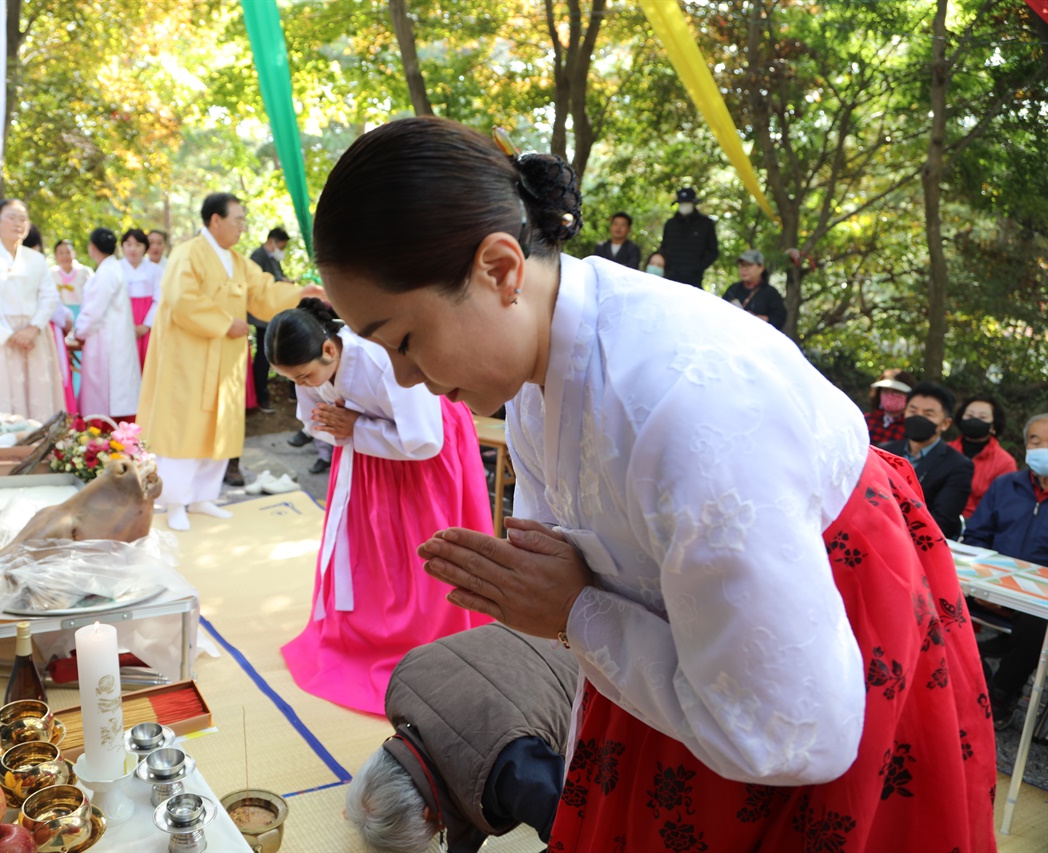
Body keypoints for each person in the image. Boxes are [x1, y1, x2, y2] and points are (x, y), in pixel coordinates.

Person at [312, 117, 995, 852]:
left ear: (501, 269)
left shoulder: (687, 407)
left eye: (405, 341)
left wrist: (574, 609)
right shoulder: (544, 365)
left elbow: (793, 732)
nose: (408, 377)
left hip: (805, 677)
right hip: (674, 675)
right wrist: (561, 594)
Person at [265, 299, 494, 713]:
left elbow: (425, 438)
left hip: (423, 458)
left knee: (416, 558)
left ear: (330, 350)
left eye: (304, 375)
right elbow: (312, 416)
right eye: (292, 378)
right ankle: (360, 637)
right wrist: (341, 427)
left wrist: (356, 427)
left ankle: (424, 647)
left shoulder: (377, 360)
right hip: (363, 460)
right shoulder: (311, 368)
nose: (302, 383)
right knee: (367, 553)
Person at [136, 192, 324, 529]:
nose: (242, 226)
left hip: (225, 361)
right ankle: (175, 502)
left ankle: (204, 497)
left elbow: (264, 292)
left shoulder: (237, 261)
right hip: (190, 360)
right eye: (238, 219)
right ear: (215, 220)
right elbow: (181, 300)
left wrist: (301, 294)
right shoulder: (187, 254)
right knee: (185, 429)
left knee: (220, 428)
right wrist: (225, 322)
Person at [346, 624, 577, 853]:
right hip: (549, 623)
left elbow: (579, 833)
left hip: (599, 667)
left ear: (429, 814)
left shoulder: (512, 770)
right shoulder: (402, 683)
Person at [964, 412, 1048, 730]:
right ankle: (970, 678)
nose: (1041, 447)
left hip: (1038, 600)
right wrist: (985, 585)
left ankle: (1001, 694)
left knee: (1036, 618)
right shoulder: (1006, 486)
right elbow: (975, 537)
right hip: (989, 585)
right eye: (1034, 440)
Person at [0, 198, 66, 420]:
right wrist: (7, 334)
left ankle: (40, 450)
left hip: (33, 337)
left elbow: (49, 297)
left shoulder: (37, 259)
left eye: (23, 218)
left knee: (37, 399)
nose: (18, 223)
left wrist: (33, 329)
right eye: (12, 217)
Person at [881, 382, 973, 539]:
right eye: (913, 410)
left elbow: (941, 522)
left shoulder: (958, 466)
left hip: (918, 543)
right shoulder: (885, 451)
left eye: (928, 414)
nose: (918, 417)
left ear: (945, 424)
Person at [68, 228, 141, 420]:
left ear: (92, 248)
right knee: (115, 388)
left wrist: (79, 332)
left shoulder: (106, 273)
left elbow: (93, 311)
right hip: (112, 338)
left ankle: (103, 433)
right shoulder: (113, 268)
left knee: (105, 391)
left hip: (105, 341)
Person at [948, 394, 1018, 518]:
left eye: (982, 417)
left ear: (993, 425)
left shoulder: (1004, 462)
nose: (974, 420)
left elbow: (1003, 505)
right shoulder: (945, 450)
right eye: (969, 415)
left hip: (976, 528)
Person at [248, 227, 294, 415]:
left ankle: (284, 392)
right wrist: (281, 282)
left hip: (273, 313)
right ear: (272, 242)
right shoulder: (257, 257)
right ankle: (261, 396)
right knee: (263, 356)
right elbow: (257, 285)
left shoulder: (273, 258)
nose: (281, 250)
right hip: (261, 317)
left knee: (275, 352)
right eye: (281, 246)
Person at [659, 186, 718, 288]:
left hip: (694, 280)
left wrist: (698, 267)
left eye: (687, 203)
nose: (684, 205)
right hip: (670, 279)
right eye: (681, 203)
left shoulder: (705, 224)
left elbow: (713, 251)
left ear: (693, 203)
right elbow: (663, 248)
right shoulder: (670, 224)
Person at [120, 228, 161, 369]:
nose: (133, 249)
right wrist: (127, 325)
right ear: (122, 246)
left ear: (145, 247)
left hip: (148, 325)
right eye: (128, 244)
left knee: (149, 365)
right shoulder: (116, 269)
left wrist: (146, 325)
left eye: (138, 245)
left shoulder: (155, 270)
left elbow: (159, 300)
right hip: (122, 324)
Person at [721, 248, 786, 330]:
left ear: (761, 268)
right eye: (742, 265)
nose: (744, 269)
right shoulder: (733, 289)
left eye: (749, 265)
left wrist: (756, 319)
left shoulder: (771, 293)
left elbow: (779, 319)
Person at [864, 370, 915, 446]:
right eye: (885, 390)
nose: (890, 394)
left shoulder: (912, 427)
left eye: (896, 391)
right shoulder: (865, 420)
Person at [52, 239, 91, 318]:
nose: (65, 256)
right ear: (55, 255)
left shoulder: (84, 272)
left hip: (82, 314)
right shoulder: (51, 274)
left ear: (74, 253)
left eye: (68, 252)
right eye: (61, 253)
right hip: (60, 315)